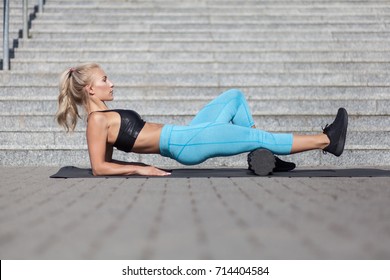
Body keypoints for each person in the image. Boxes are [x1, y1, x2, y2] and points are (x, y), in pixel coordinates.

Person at [56, 63, 348, 176]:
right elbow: (100, 167)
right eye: (106, 79)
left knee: (233, 97)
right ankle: (327, 141)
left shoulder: (103, 116)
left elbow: (107, 163)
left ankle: (266, 158)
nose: (112, 83)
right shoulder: (96, 121)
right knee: (258, 137)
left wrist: (132, 165)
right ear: (90, 88)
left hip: (187, 133)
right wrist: (142, 169)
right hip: (186, 145)